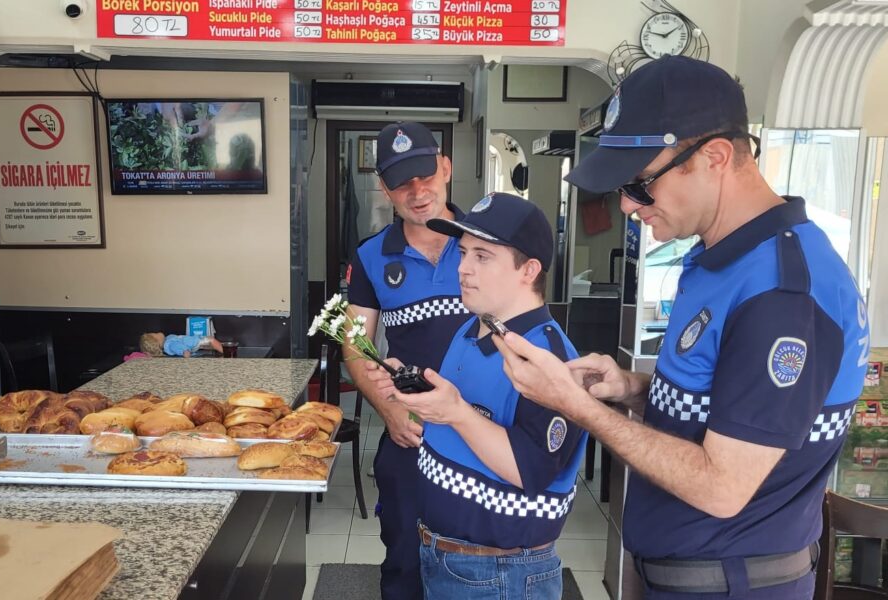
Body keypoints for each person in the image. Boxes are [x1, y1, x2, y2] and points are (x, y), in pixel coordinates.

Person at [494, 55, 870, 599]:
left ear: (715, 157)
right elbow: (726, 407)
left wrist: (576, 406)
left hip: (734, 585)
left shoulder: (782, 295)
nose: (628, 206)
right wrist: (629, 388)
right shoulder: (721, 260)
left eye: (641, 184)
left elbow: (722, 486)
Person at [366, 192, 588, 599]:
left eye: (482, 257)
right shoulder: (471, 328)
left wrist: (457, 412)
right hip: (443, 552)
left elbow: (531, 470)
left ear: (529, 270)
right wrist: (412, 389)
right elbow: (459, 414)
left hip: (501, 572)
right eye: (464, 253)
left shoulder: (548, 359)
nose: (463, 268)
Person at [344, 121, 470, 600]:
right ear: (384, 188)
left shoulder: (488, 241)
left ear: (446, 168)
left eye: (426, 175)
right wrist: (388, 408)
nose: (417, 192)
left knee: (480, 563)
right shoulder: (371, 257)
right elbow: (355, 344)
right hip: (412, 434)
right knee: (405, 560)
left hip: (486, 433)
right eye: (402, 182)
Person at [139, 332, 225, 358]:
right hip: (197, 341)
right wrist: (186, 357)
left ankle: (225, 351)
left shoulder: (167, 341)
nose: (158, 332)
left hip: (196, 342)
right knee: (212, 341)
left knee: (213, 345)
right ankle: (227, 353)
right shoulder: (171, 345)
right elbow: (184, 351)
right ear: (157, 342)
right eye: (155, 334)